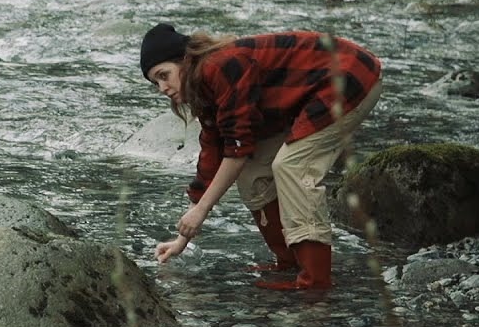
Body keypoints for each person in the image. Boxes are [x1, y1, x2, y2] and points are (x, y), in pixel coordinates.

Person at [139, 24, 383, 290]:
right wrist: (182, 238)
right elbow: (214, 152)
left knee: (292, 165)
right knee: (251, 172)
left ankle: (315, 280)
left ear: (184, 60)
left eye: (164, 75)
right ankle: (289, 262)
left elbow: (237, 148)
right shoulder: (201, 88)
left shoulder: (220, 66)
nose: (162, 88)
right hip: (311, 95)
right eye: (156, 83)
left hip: (351, 77)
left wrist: (201, 211)